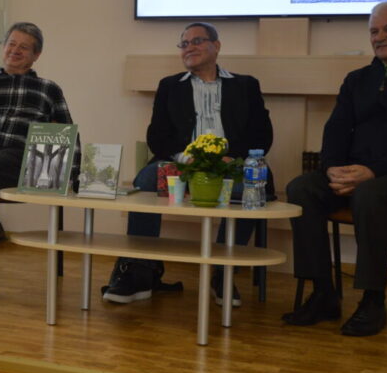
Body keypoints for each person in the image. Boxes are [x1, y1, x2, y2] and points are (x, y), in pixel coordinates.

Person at [282, 2, 387, 337]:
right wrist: (333, 169)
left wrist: (372, 172)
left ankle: (373, 301)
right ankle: (323, 293)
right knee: (301, 189)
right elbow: (336, 130)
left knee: (370, 195)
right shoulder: (357, 80)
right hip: (354, 174)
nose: (379, 37)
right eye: (374, 31)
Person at [102, 22, 273, 305]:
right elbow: (157, 136)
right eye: (184, 44)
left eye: (197, 41)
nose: (189, 48)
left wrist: (233, 157)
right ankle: (139, 272)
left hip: (229, 164)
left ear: (216, 46)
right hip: (180, 164)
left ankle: (222, 272)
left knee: (251, 186)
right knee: (145, 181)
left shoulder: (245, 85)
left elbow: (262, 134)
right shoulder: (170, 86)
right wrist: (184, 157)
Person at [0, 22, 77, 304]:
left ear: (36, 55)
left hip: (21, 157)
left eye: (24, 47)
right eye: (12, 44)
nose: (15, 50)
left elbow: (67, 132)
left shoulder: (48, 89)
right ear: (3, 46)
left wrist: (76, 173)